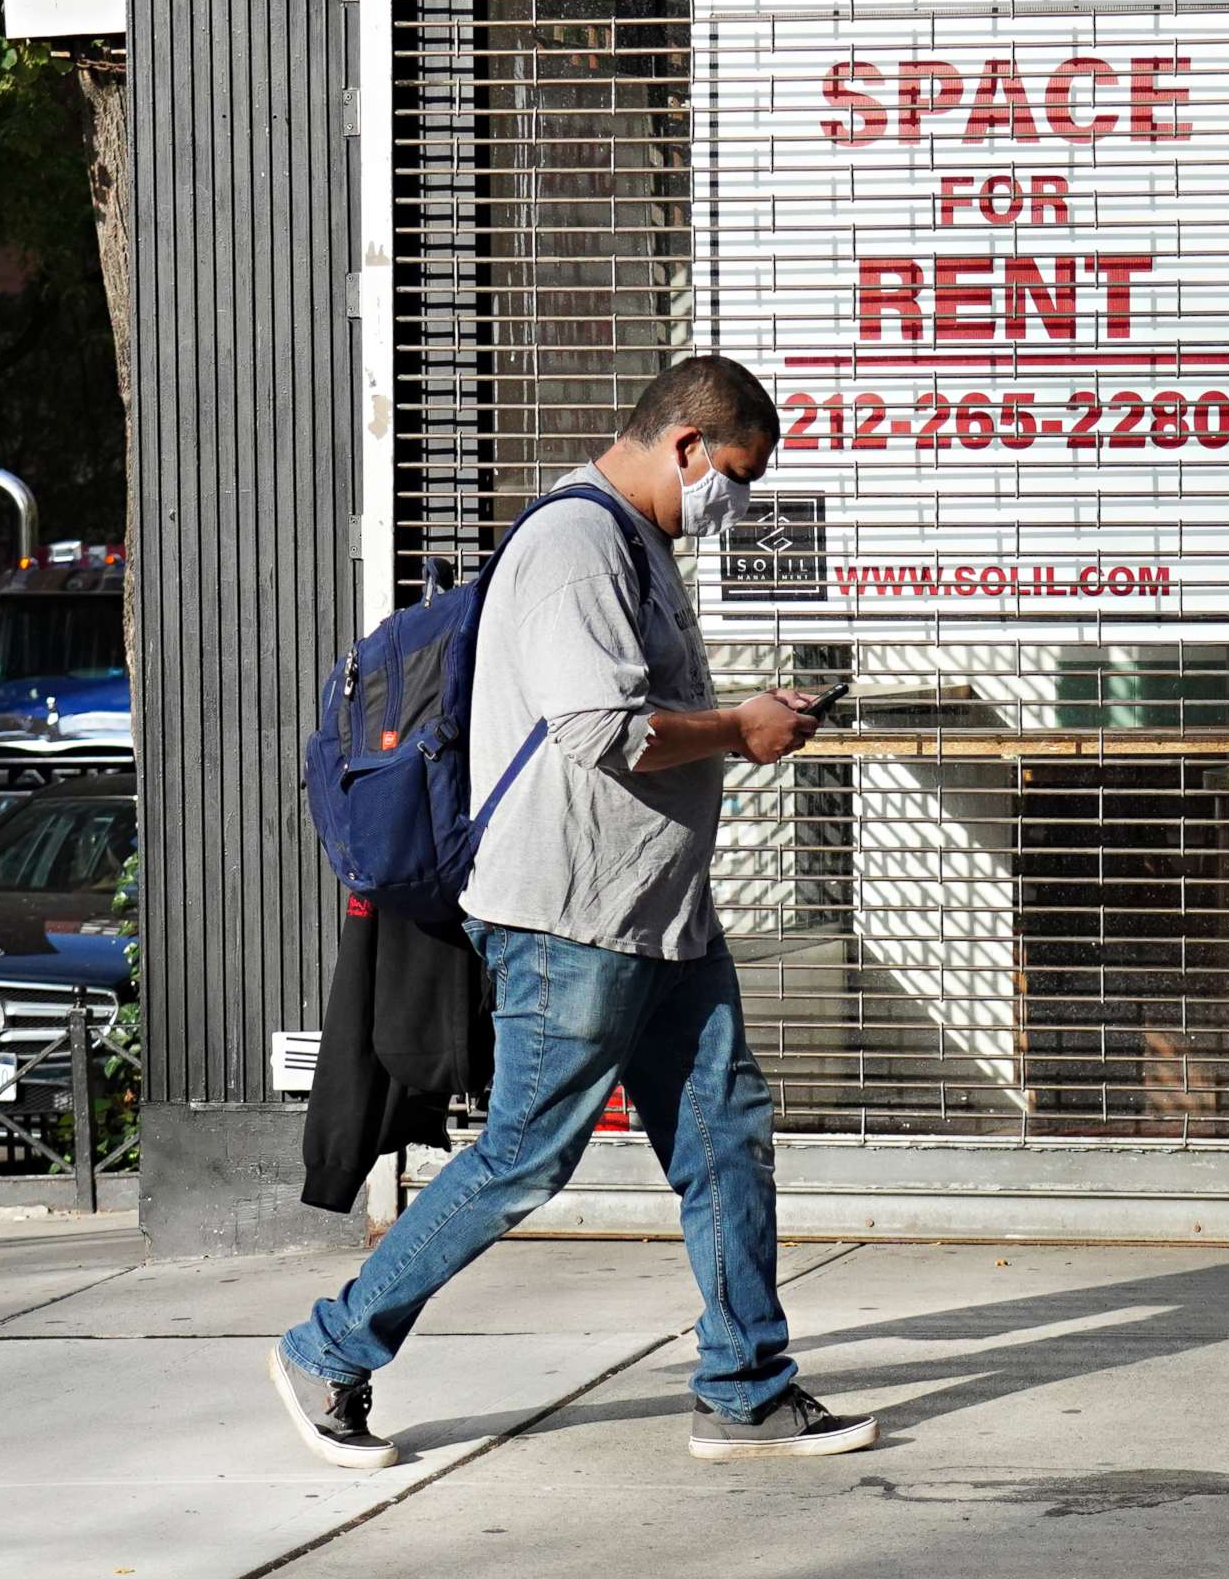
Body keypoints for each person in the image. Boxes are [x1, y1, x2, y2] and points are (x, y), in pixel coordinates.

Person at [267, 355, 877, 1468]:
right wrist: (740, 726)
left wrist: (739, 719)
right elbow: (605, 727)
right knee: (523, 1159)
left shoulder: (632, 542)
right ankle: (329, 1348)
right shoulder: (575, 543)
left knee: (722, 1132)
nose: (733, 506)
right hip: (572, 917)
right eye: (734, 478)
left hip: (653, 911)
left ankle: (743, 1388)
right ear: (687, 446)